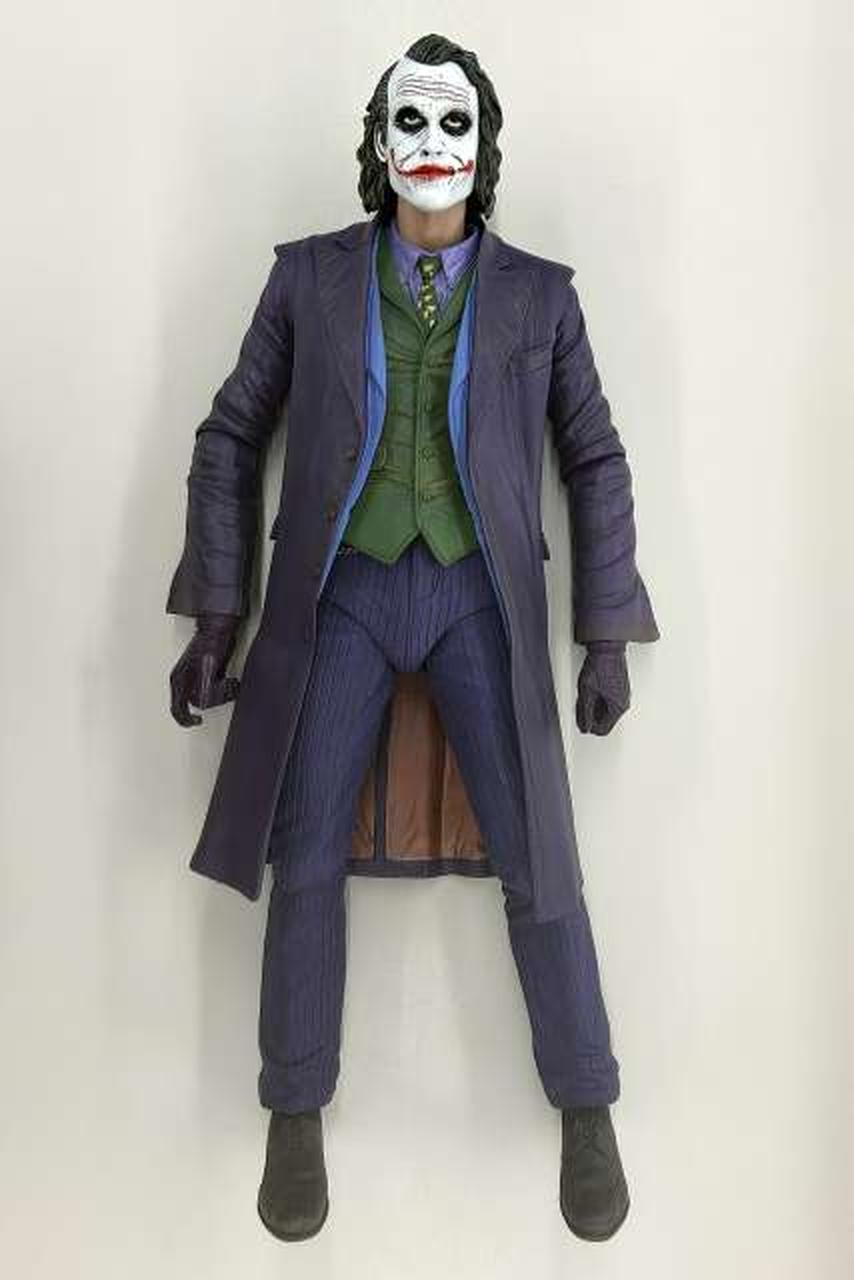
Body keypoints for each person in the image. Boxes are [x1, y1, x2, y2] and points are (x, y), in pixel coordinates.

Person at [167, 32, 660, 1244]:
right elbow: (230, 435)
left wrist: (602, 632)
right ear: (377, 142)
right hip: (341, 590)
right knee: (304, 844)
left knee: (540, 847)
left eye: (453, 123)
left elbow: (592, 457)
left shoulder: (540, 296)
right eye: (410, 121)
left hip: (474, 595)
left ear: (483, 147)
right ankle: (293, 1106)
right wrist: (219, 609)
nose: (431, 145)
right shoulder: (307, 279)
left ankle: (584, 1098)